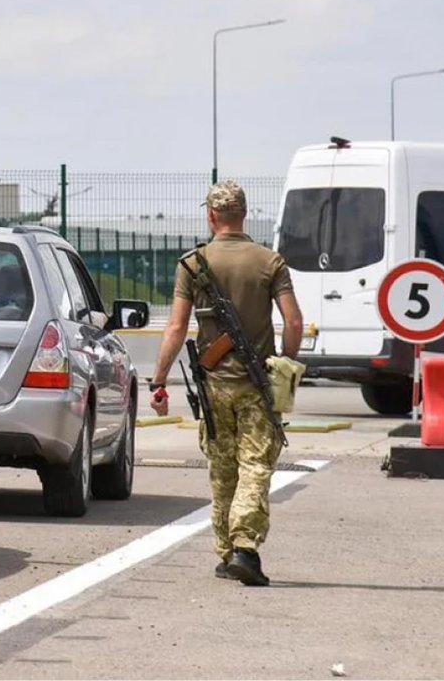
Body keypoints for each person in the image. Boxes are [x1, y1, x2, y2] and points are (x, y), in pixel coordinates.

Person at [148, 180, 304, 587]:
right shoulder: (271, 262)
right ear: (244, 214)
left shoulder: (193, 264)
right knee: (255, 465)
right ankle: (245, 548)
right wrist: (286, 363)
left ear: (211, 216)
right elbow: (293, 321)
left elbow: (177, 327)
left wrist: (158, 381)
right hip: (257, 384)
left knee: (222, 468)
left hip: (213, 384)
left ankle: (225, 552)